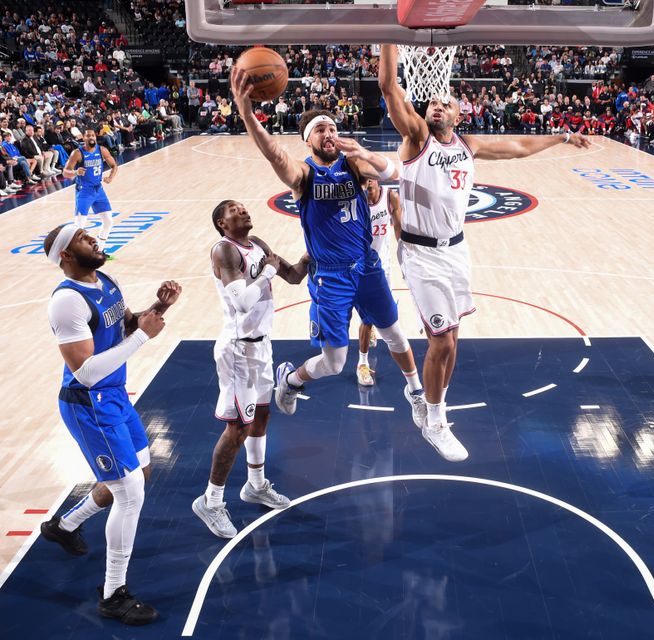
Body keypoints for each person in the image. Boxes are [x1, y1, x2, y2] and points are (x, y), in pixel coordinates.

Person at [378, 44, 591, 462]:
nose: (437, 105)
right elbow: (388, 87)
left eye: (446, 102)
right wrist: (389, 37)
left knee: (452, 340)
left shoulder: (468, 145)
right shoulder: (416, 137)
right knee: (439, 340)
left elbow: (518, 147)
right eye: (433, 101)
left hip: (456, 252)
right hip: (420, 254)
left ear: (459, 114)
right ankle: (435, 420)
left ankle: (437, 410)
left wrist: (562, 136)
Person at [228, 65, 430, 441]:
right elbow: (275, 156)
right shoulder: (303, 176)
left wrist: (367, 164)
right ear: (307, 139)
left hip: (366, 266)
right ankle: (291, 379)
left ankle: (417, 393)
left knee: (396, 336)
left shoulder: (351, 162)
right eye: (321, 129)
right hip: (331, 275)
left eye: (333, 128)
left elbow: (390, 176)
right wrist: (247, 114)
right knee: (335, 363)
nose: (330, 133)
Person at [42, 223, 181, 625]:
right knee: (130, 492)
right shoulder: (66, 302)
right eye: (84, 239)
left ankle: (64, 525)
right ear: (66, 256)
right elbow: (84, 372)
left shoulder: (105, 278)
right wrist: (144, 339)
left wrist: (158, 309)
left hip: (115, 397)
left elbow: (124, 325)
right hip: (89, 405)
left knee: (143, 470)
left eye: (91, 235)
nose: (94, 240)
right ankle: (113, 594)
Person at [192, 200, 310, 539]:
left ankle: (256, 485)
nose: (243, 211)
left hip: (262, 345)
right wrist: (269, 272)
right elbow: (241, 300)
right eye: (234, 210)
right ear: (221, 223)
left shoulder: (258, 245)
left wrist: (311, 252)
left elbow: (294, 276)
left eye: (244, 207)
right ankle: (211, 501)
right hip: (238, 350)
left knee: (261, 416)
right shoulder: (224, 251)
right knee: (237, 429)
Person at [356, 178, 403, 387]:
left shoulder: (389, 196)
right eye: (363, 178)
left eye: (370, 177)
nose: (368, 181)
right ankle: (362, 364)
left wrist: (405, 255)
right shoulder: (355, 201)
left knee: (388, 312)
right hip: (362, 267)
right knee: (367, 319)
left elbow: (399, 227)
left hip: (384, 265)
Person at [62, 128, 118, 252]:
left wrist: (110, 177)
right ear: (84, 138)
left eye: (93, 135)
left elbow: (114, 165)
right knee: (79, 227)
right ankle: (72, 253)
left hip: (99, 189)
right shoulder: (77, 153)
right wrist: (76, 172)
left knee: (108, 221)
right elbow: (65, 172)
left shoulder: (102, 150)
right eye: (88, 136)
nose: (91, 137)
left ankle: (99, 250)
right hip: (84, 191)